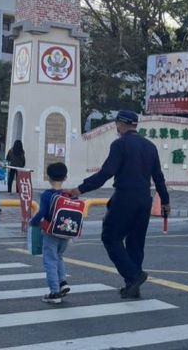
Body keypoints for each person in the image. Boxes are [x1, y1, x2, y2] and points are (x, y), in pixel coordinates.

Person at [68, 110, 170, 299]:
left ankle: (134, 275)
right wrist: (165, 200)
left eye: (117, 125)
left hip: (125, 199)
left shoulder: (120, 144)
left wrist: (80, 189)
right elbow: (158, 177)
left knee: (110, 237)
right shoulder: (150, 146)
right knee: (135, 243)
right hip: (144, 200)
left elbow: (106, 172)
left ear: (121, 125)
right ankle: (133, 286)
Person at [30, 162, 72, 304]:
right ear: (65, 177)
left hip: (50, 232)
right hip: (66, 232)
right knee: (59, 256)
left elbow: (42, 213)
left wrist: (33, 222)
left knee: (50, 260)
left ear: (48, 178)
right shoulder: (68, 194)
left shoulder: (47, 195)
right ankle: (63, 282)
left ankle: (55, 292)